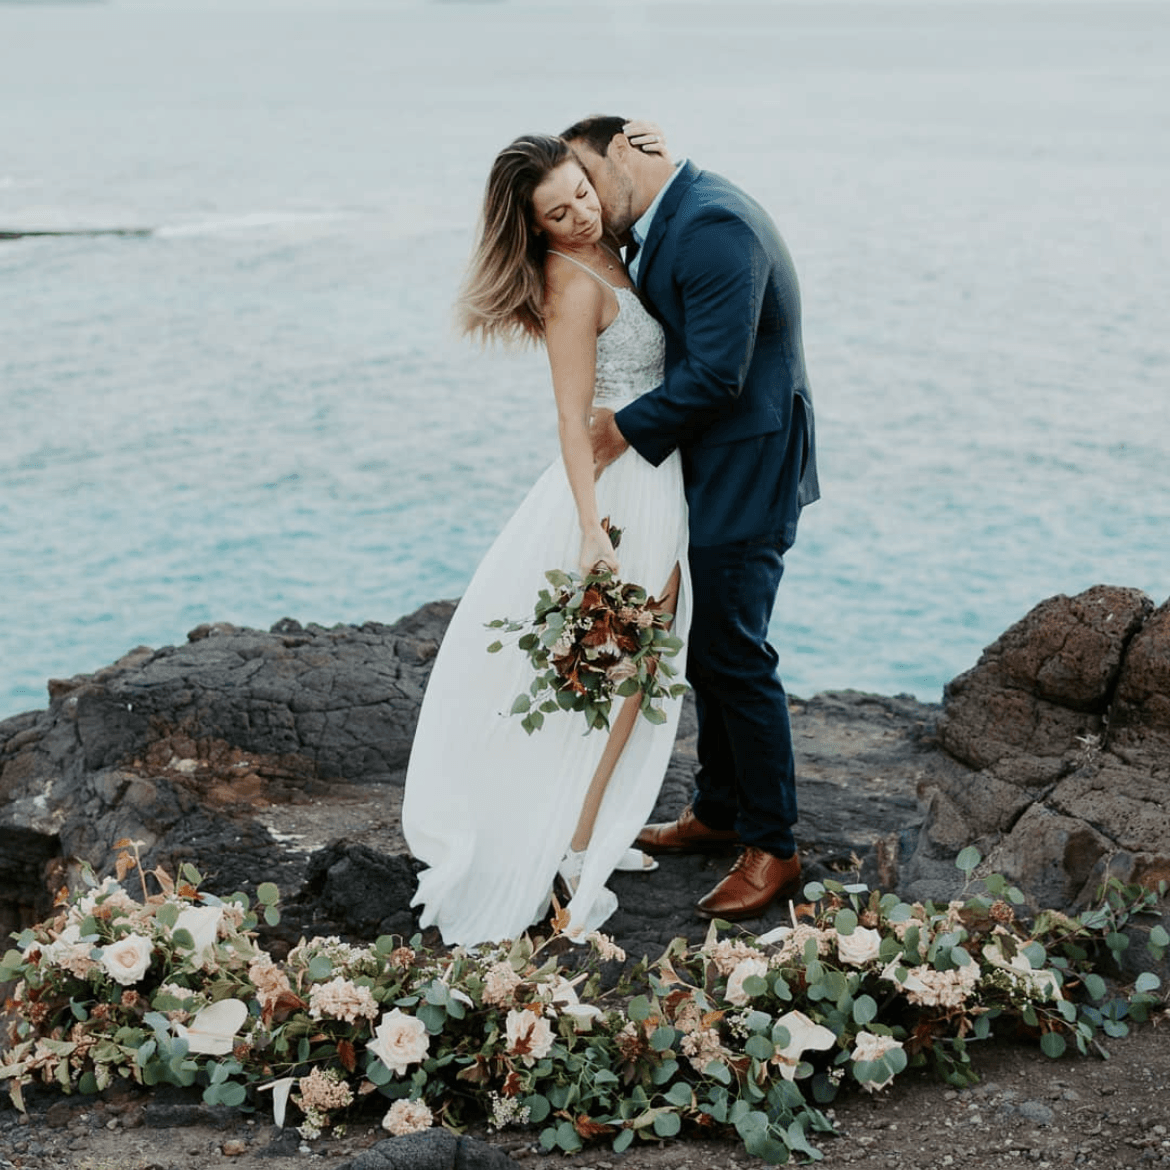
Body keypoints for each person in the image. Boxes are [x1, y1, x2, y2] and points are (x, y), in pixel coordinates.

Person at [402, 125, 689, 947]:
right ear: (533, 228)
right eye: (558, 215)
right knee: (613, 670)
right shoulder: (569, 283)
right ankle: (568, 844)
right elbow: (569, 419)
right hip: (617, 494)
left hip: (655, 477)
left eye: (584, 196)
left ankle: (584, 833)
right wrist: (594, 530)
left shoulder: (614, 250)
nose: (582, 218)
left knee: (637, 670)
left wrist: (658, 150)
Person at [561, 115, 820, 922]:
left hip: (749, 463)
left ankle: (773, 845)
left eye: (590, 183)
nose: (592, 206)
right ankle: (718, 810)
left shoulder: (709, 223)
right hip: (718, 464)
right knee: (707, 640)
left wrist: (619, 429)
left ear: (632, 151)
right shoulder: (672, 214)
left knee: (734, 651)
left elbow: (717, 375)